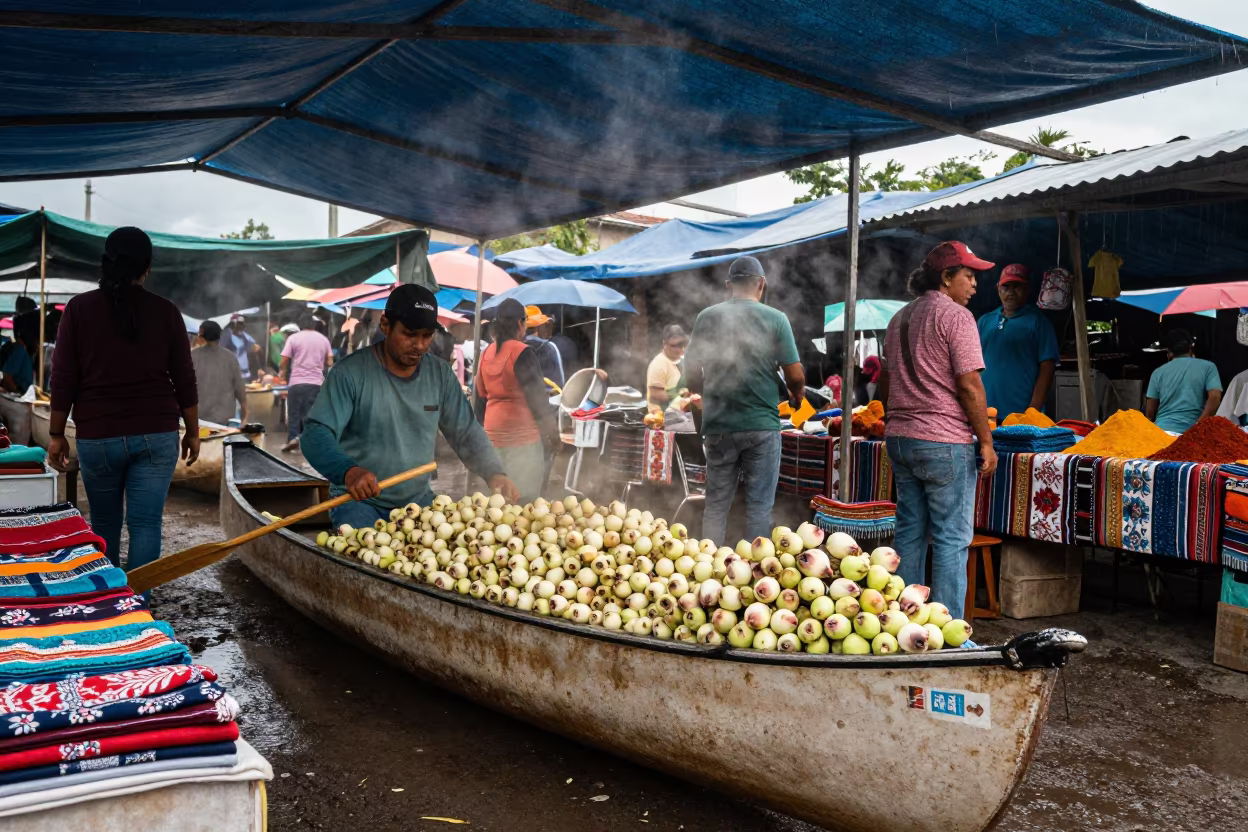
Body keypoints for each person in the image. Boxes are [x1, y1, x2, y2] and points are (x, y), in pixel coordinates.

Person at [301, 284, 518, 530]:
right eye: (410, 334)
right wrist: (348, 471)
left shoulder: (440, 375)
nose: (420, 345)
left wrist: (493, 472)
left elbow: (465, 432)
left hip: (418, 501)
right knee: (363, 557)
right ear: (385, 325)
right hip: (359, 503)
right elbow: (315, 434)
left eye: (427, 335)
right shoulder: (349, 374)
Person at [47, 227, 200, 573]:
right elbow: (184, 378)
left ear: (105, 264)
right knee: (145, 524)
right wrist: (193, 431)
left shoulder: (78, 309)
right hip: (156, 434)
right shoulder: (166, 311)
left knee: (104, 525)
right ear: (147, 268)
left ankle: (114, 603)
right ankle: (139, 604)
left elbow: (63, 378)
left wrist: (56, 433)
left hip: (97, 436)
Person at [877, 241, 997, 621]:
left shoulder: (899, 318)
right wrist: (988, 441)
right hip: (943, 441)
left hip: (900, 438)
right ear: (946, 278)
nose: (975, 285)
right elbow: (969, 386)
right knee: (950, 539)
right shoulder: (958, 317)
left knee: (910, 533)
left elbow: (886, 382)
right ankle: (946, 632)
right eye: (968, 275)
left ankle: (903, 624)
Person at [684, 256, 805, 545]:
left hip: (719, 425)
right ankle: (755, 575)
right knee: (759, 508)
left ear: (729, 285)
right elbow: (795, 375)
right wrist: (797, 396)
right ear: (761, 284)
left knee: (715, 507)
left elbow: (690, 367)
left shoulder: (707, 317)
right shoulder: (776, 319)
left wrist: (704, 395)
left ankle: (709, 572)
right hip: (762, 427)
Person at [474, 299, 560, 503]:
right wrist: (553, 436)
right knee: (522, 505)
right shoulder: (523, 352)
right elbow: (538, 401)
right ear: (521, 324)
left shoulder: (486, 353)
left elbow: (479, 399)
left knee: (493, 505)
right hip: (522, 442)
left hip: (491, 438)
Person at [976, 264, 1060, 417]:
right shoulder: (984, 321)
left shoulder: (1038, 322)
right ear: (998, 288)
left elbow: (1047, 368)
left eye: (1017, 287)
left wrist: (1033, 410)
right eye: (1006, 286)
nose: (1011, 292)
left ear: (1028, 289)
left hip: (1021, 414)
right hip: (985, 412)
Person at [1145, 329, 1222, 433]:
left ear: (1169, 352)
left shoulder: (1157, 372)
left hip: (1162, 432)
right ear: (1190, 349)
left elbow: (1150, 412)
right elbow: (1215, 396)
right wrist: (1199, 425)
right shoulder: (1208, 367)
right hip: (1193, 435)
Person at [280, 314, 334, 452]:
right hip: (316, 383)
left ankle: (293, 439)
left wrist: (283, 372)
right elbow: (330, 362)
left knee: (294, 413)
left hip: (296, 382)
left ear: (301, 325)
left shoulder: (293, 338)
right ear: (314, 325)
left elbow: (284, 360)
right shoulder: (323, 340)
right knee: (310, 414)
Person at [191, 321, 247, 426]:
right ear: (220, 336)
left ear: (201, 336)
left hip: (198, 418)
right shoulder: (230, 357)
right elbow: (239, 388)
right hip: (224, 419)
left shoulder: (192, 356)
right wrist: (245, 415)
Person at [647, 324, 689, 407]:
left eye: (682, 345)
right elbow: (655, 393)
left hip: (681, 414)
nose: (680, 349)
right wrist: (681, 396)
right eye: (675, 346)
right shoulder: (658, 364)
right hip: (662, 416)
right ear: (664, 343)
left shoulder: (681, 361)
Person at [524, 306, 565, 387]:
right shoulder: (551, 347)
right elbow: (560, 381)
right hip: (548, 397)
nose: (545, 329)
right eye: (543, 326)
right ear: (537, 328)